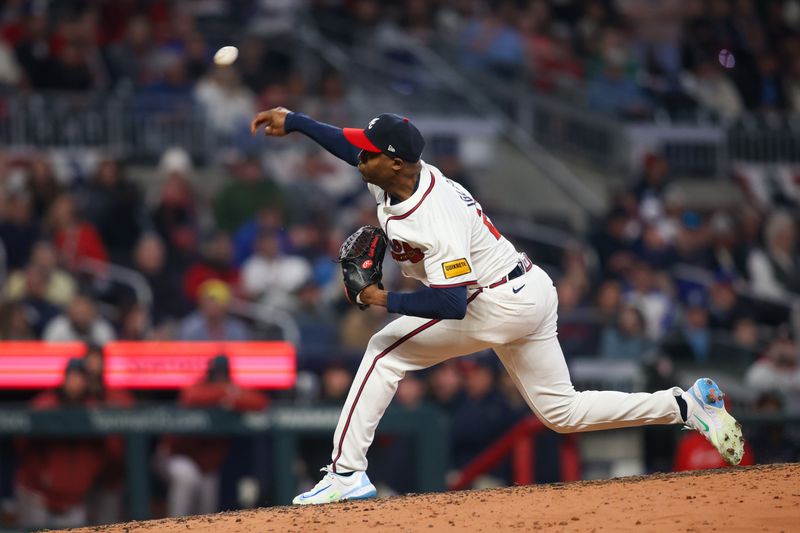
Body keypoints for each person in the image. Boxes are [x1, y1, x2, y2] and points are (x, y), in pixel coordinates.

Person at [250, 107, 745, 505]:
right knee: (562, 411)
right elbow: (347, 142)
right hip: (527, 290)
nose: (360, 155)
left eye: (370, 152)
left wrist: (385, 299)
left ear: (395, 162)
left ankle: (346, 474)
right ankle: (685, 404)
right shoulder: (396, 173)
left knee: (384, 350)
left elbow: (451, 303)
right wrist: (296, 122)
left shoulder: (433, 217)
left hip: (493, 301)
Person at [155, 355, 268, 517]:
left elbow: (260, 402)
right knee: (188, 477)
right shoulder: (199, 388)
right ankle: (174, 526)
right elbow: (190, 397)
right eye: (216, 375)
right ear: (209, 374)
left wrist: (230, 397)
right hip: (175, 456)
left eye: (223, 375)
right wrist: (224, 393)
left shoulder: (233, 391)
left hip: (207, 465)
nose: (219, 379)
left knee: (208, 504)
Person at [15, 359, 109, 528]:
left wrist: (86, 479)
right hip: (38, 496)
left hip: (74, 500)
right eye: (72, 377)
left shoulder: (94, 410)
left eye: (80, 378)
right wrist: (42, 475)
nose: (75, 382)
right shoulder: (44, 405)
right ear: (64, 378)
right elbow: (21, 443)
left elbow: (107, 452)